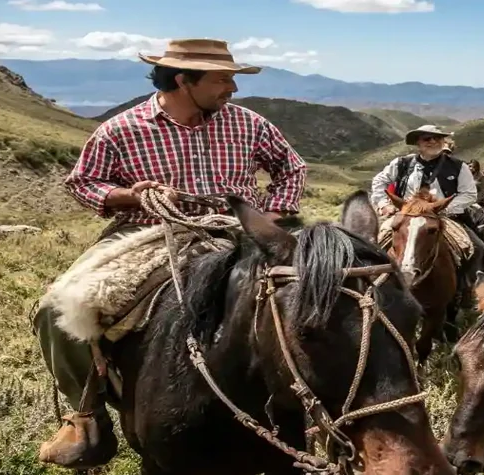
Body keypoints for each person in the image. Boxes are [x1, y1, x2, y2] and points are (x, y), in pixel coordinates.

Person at [33, 38, 307, 470]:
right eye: (222, 79)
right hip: (149, 233)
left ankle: (327, 410)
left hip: (236, 230)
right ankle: (86, 415)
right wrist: (127, 194)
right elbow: (83, 182)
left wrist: (270, 216)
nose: (232, 89)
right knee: (56, 308)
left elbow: (291, 168)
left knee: (319, 290)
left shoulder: (249, 124)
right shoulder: (122, 128)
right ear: (183, 80)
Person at [370, 124, 484, 308]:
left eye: (437, 138)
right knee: (373, 244)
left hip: (442, 215)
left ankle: (463, 290)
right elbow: (379, 181)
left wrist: (445, 208)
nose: (432, 141)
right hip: (405, 213)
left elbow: (469, 193)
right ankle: (372, 286)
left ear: (443, 141)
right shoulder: (402, 163)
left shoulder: (458, 167)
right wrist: (383, 204)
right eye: (426, 138)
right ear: (418, 143)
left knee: (477, 246)